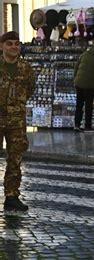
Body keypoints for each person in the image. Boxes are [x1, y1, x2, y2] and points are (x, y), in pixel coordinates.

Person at [0, 31, 35, 211]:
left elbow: (30, 88)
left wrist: (16, 104)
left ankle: (12, 196)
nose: (14, 47)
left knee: (15, 158)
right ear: (2, 46)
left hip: (16, 120)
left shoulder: (25, 67)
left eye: (16, 43)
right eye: (9, 44)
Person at [73, 41, 94, 132]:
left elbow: (76, 67)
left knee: (79, 104)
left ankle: (77, 124)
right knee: (88, 105)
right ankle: (87, 125)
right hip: (90, 84)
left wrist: (75, 79)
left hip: (79, 82)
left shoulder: (85, 53)